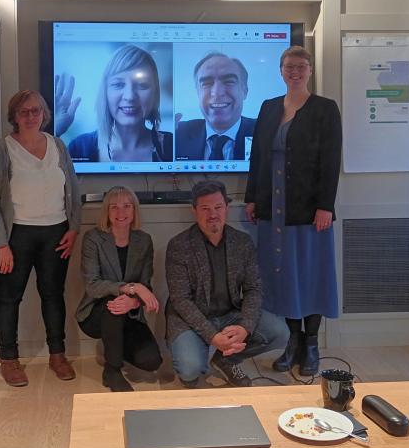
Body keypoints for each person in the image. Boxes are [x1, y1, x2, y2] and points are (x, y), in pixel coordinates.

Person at [245, 45, 341, 377]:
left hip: (309, 212)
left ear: (310, 70)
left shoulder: (325, 109)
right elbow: (257, 155)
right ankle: (293, 341)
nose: (295, 71)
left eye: (301, 66)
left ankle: (311, 344)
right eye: (289, 66)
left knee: (311, 276)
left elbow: (331, 162)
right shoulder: (269, 107)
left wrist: (325, 206)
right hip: (274, 210)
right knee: (283, 277)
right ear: (281, 70)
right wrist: (251, 198)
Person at [0, 89, 81, 386]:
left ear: (45, 114)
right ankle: (9, 359)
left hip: (57, 233)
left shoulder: (58, 145)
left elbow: (73, 190)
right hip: (15, 237)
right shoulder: (1, 150)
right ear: (14, 117)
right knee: (10, 298)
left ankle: (57, 355)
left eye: (36, 110)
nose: (31, 116)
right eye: (24, 112)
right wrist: (0, 244)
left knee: (53, 295)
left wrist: (73, 228)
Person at [165, 180, 287, 388]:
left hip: (230, 313)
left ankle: (226, 359)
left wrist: (245, 327)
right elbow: (180, 300)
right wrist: (213, 337)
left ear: (227, 208)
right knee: (189, 369)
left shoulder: (242, 242)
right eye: (205, 208)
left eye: (218, 207)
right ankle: (202, 356)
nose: (213, 214)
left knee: (280, 333)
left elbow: (253, 289)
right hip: (191, 318)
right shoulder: (178, 245)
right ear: (194, 211)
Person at [75, 186, 162, 392]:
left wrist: (133, 300)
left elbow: (146, 285)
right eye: (114, 207)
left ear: (134, 211)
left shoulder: (144, 241)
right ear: (106, 211)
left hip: (129, 314)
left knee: (151, 361)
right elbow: (93, 285)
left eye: (126, 207)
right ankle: (112, 371)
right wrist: (130, 288)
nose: (120, 213)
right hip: (95, 314)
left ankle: (115, 346)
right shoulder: (93, 239)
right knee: (112, 305)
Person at [60, 44, 173, 162]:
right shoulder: (79, 147)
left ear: (155, 93)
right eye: (118, 85)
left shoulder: (173, 145)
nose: (129, 97)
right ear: (105, 94)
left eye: (142, 85)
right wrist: (56, 131)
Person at [175, 52, 255, 161]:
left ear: (244, 90)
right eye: (206, 83)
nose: (217, 92)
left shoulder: (264, 132)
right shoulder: (177, 134)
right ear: (198, 92)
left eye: (229, 81)